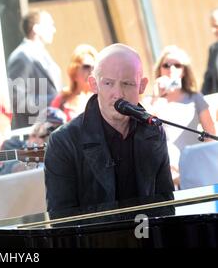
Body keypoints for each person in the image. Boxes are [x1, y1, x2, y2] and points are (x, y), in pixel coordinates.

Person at [44, 43, 174, 218]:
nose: (118, 93)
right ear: (93, 84)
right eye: (108, 83)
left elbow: (166, 206)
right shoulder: (63, 142)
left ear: (142, 86)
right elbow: (62, 222)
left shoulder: (153, 131)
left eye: (127, 84)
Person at [143, 45, 216, 187]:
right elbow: (146, 132)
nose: (171, 69)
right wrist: (157, 96)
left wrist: (202, 164)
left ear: (184, 71)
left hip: (195, 168)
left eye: (177, 65)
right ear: (160, 69)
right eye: (166, 65)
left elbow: (211, 136)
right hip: (165, 171)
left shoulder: (195, 98)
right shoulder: (150, 101)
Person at [7, 10, 62, 129]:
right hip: (33, 135)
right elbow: (19, 102)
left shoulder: (42, 54)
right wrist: (57, 99)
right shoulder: (21, 57)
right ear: (36, 29)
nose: (54, 30)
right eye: (50, 25)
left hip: (50, 130)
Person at [0, 107, 66, 176]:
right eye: (51, 129)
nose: (53, 135)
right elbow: (3, 175)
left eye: (60, 130)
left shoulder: (62, 154)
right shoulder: (12, 144)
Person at [51, 44, 97, 121]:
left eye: (94, 67)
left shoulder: (102, 98)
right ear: (74, 71)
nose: (91, 71)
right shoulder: (62, 99)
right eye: (86, 67)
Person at [201, 8, 218, 95]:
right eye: (212, 26)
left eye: (216, 26)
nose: (213, 30)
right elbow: (208, 79)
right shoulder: (213, 49)